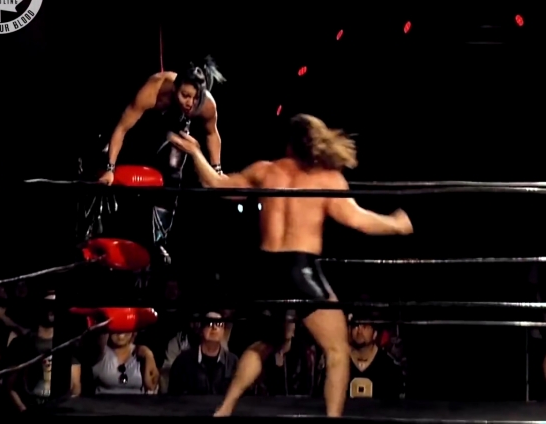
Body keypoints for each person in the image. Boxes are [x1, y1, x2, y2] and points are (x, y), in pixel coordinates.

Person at [168, 113, 413, 417]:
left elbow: (217, 185)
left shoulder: (266, 171)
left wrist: (195, 152)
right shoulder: (326, 179)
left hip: (266, 270)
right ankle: (333, 421)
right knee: (337, 350)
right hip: (301, 269)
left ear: (288, 145)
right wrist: (397, 224)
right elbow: (359, 221)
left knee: (266, 342)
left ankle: (225, 408)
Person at [90, 56, 226, 263]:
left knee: (175, 159)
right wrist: (110, 168)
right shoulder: (155, 89)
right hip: (141, 129)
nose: (190, 103)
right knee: (105, 159)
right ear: (176, 88)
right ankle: (97, 224)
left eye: (195, 97)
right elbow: (122, 127)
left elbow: (212, 134)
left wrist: (217, 172)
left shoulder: (206, 105)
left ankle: (158, 240)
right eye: (185, 95)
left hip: (171, 132)